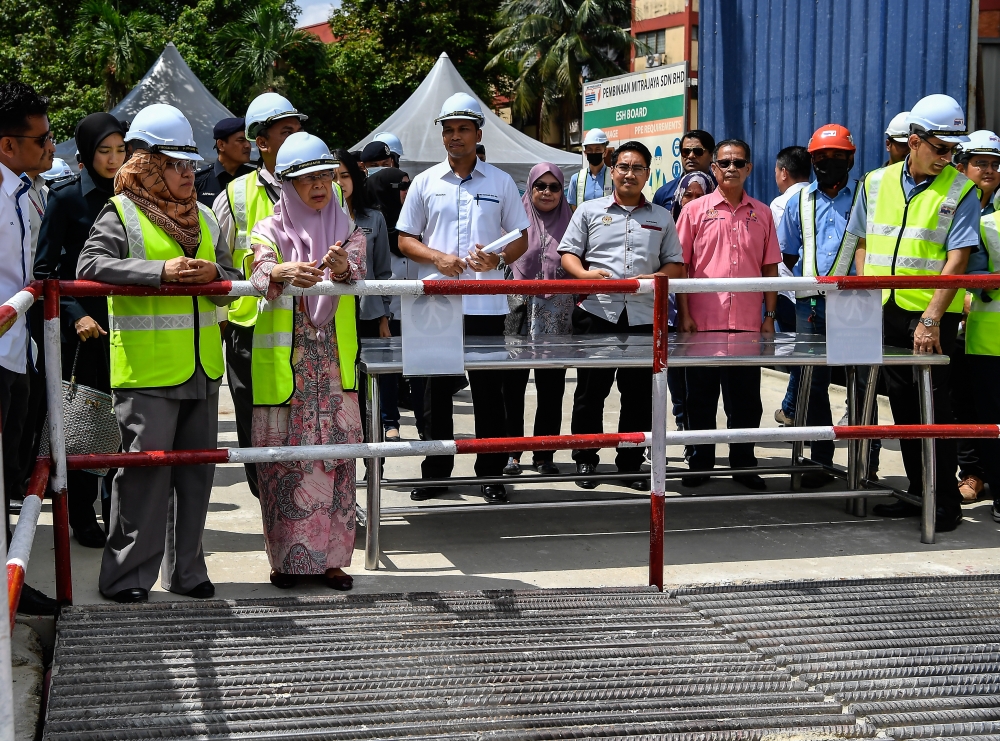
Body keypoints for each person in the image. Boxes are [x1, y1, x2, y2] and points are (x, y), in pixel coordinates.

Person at [77, 104, 240, 603]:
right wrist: (159, 273)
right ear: (148, 164)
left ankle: (187, 572)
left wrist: (216, 277)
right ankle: (126, 578)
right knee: (144, 479)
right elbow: (90, 264)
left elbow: (231, 280)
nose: (188, 174)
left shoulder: (205, 216)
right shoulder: (120, 211)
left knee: (196, 476)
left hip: (202, 368)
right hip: (147, 371)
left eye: (191, 164)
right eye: (175, 164)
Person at [844, 94, 979, 533]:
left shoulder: (961, 189)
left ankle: (944, 504)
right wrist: (865, 297)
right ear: (915, 141)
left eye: (953, 150)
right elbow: (863, 243)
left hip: (929, 316)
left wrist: (932, 319)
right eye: (940, 148)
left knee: (933, 409)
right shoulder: (875, 182)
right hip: (885, 310)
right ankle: (919, 493)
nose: (947, 157)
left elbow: (958, 260)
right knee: (903, 406)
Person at [397, 92, 529, 504]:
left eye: (463, 129)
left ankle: (490, 473)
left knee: (489, 392)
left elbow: (521, 238)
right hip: (435, 305)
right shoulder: (425, 181)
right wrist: (436, 257)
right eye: (449, 129)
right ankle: (435, 473)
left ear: (478, 134)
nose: (455, 136)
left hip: (485, 303)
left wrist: (498, 258)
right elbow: (405, 239)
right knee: (433, 393)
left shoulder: (500, 182)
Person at [247, 132, 364, 590]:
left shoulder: (347, 228)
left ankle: (333, 561)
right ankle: (286, 563)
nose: (318, 186)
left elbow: (359, 271)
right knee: (285, 464)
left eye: (324, 176)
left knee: (338, 463)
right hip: (287, 375)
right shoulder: (268, 229)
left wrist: (342, 268)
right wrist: (278, 271)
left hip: (336, 375)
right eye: (306, 179)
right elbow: (256, 268)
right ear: (287, 185)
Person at [558, 140, 684, 490]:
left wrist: (657, 277)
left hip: (644, 316)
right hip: (597, 312)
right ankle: (585, 458)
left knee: (639, 394)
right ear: (612, 171)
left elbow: (676, 265)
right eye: (624, 167)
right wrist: (584, 275)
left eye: (637, 168)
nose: (630, 174)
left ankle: (630, 463)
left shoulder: (662, 217)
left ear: (647, 174)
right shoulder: (589, 210)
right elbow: (568, 254)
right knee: (590, 390)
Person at [34, 112, 127, 547]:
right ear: (87, 155)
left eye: (120, 150)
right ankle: (83, 516)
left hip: (132, 326)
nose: (113, 159)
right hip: (86, 333)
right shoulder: (67, 198)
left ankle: (118, 513)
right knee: (87, 421)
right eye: (104, 151)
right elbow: (44, 270)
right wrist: (74, 313)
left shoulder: (134, 196)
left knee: (124, 424)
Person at [212, 93, 309, 500]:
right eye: (286, 132)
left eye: (298, 130)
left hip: (310, 326)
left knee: (309, 420)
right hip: (251, 330)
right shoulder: (234, 195)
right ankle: (268, 502)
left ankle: (308, 507)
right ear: (262, 142)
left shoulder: (323, 188)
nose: (297, 138)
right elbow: (219, 262)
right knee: (255, 420)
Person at [675, 138, 780, 491]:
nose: (731, 168)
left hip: (748, 326)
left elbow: (770, 268)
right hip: (702, 325)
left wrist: (769, 315)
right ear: (714, 168)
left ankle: (744, 464)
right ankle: (700, 463)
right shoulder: (694, 211)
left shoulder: (762, 213)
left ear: (749, 167)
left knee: (746, 401)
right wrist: (684, 314)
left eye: (738, 162)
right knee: (700, 399)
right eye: (724, 162)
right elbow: (681, 267)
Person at [776, 125, 866, 487]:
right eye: (822, 157)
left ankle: (864, 465)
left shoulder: (865, 197)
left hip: (856, 304)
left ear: (851, 159)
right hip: (810, 306)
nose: (830, 162)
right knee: (813, 385)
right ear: (812, 161)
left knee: (861, 386)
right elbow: (787, 253)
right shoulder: (799, 201)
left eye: (838, 156)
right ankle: (819, 460)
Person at [0, 81, 56, 616]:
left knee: (11, 474)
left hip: (18, 351)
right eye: (40, 140)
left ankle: (9, 585)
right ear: (7, 144)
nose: (49, 147)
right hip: (1, 353)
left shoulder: (26, 190)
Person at [501, 163, 574, 477]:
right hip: (515, 311)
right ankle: (510, 452)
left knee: (551, 387)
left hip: (557, 314)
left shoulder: (573, 223)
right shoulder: (511, 221)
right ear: (529, 189)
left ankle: (544, 453)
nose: (547, 192)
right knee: (511, 387)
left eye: (554, 187)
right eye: (540, 186)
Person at [334, 149, 400, 441]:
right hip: (332, 316)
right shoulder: (317, 219)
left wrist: (385, 316)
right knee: (341, 389)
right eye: (331, 176)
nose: (339, 182)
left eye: (344, 175)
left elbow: (383, 272)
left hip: (369, 315)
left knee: (372, 388)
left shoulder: (374, 218)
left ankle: (375, 455)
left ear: (356, 177)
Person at [950, 130, 1000, 502]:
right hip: (954, 317)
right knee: (961, 403)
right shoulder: (950, 206)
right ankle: (971, 473)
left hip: (983, 322)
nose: (989, 170)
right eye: (980, 163)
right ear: (962, 166)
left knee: (986, 404)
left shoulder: (995, 214)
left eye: (995, 164)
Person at [368, 167, 420, 437]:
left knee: (421, 371)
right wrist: (383, 314)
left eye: (409, 185)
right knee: (387, 370)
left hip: (420, 312)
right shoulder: (373, 224)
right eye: (402, 187)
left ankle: (424, 423)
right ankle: (390, 423)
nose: (407, 192)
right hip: (389, 311)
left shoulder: (418, 220)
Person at [769, 145, 811, 336]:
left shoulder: (779, 204)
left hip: (788, 292)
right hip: (817, 290)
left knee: (791, 345)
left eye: (776, 172)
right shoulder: (819, 199)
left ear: (784, 173)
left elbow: (779, 249)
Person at [194, 117, 254, 207]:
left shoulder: (256, 178)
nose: (248, 145)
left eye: (248, 140)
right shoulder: (199, 180)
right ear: (221, 145)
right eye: (241, 140)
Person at [653, 129, 717, 212]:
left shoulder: (722, 190)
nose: (691, 156)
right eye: (686, 151)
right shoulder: (664, 193)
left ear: (711, 156)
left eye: (698, 151)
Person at [567, 128, 612, 210]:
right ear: (585, 153)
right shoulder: (576, 179)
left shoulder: (614, 177)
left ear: (605, 152)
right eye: (590, 150)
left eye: (597, 149)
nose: (593, 153)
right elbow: (573, 207)